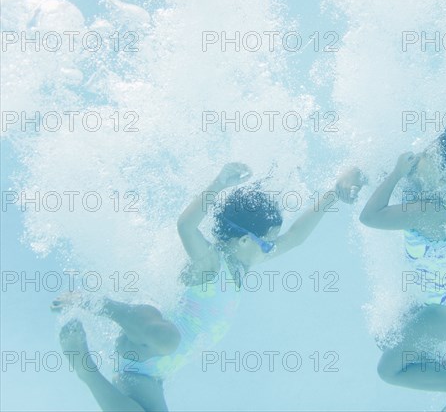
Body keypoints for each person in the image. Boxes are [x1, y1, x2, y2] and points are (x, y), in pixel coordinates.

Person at [52, 162, 366, 412]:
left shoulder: (244, 264)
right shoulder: (211, 263)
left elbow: (296, 237)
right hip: (149, 338)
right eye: (269, 244)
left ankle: (84, 368)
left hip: (150, 371)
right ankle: (98, 304)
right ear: (245, 240)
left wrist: (333, 195)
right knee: (169, 337)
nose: (273, 248)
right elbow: (185, 226)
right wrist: (217, 185)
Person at [359, 80, 446, 412]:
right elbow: (376, 173)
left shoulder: (433, 212)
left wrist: (394, 173)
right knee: (387, 337)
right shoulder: (433, 190)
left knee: (389, 369)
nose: (423, 154)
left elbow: (371, 217)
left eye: (432, 154)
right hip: (441, 300)